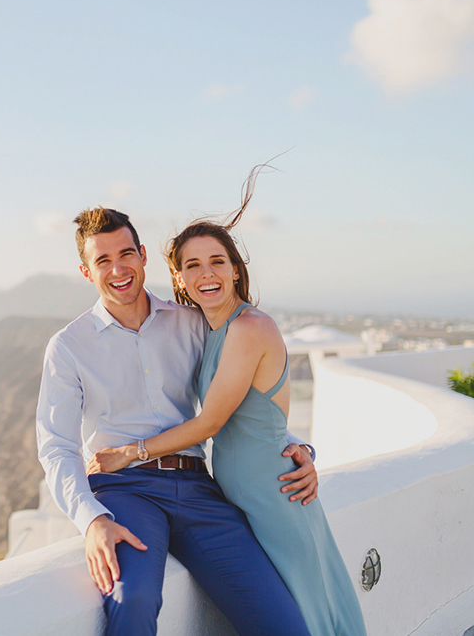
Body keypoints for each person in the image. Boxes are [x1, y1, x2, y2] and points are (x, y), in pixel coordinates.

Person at [86, 170, 367, 635]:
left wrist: (128, 454)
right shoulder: (204, 328)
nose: (206, 274)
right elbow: (256, 414)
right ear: (178, 276)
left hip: (275, 495)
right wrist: (303, 446)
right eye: (192, 265)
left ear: (236, 268)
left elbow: (212, 421)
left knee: (310, 610)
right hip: (239, 499)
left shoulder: (249, 327)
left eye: (217, 261)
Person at [37, 205, 318, 636]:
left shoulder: (191, 324)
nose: (118, 268)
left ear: (143, 254)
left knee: (281, 620)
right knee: (132, 600)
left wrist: (299, 447)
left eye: (126, 254)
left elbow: (238, 400)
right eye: (103, 260)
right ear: (85, 271)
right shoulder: (68, 346)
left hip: (197, 488)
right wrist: (91, 519)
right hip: (123, 489)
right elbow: (57, 446)